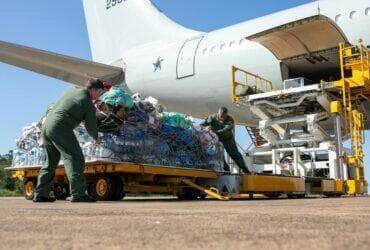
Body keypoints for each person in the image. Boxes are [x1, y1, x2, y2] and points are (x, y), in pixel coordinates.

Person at [33, 79, 104, 202]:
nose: (99, 95)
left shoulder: (72, 90)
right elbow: (91, 126)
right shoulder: (87, 102)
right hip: (60, 127)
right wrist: (96, 138)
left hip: (47, 125)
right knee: (75, 158)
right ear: (93, 90)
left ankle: (40, 194)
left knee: (50, 162)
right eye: (99, 92)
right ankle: (78, 194)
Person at [201, 107, 250, 174]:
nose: (222, 118)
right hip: (217, 139)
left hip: (228, 139)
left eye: (224, 117)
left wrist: (215, 132)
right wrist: (206, 127)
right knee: (219, 155)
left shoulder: (230, 120)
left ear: (226, 115)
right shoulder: (212, 117)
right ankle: (226, 170)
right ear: (218, 114)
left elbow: (225, 130)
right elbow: (202, 124)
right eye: (221, 116)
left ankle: (245, 170)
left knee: (235, 154)